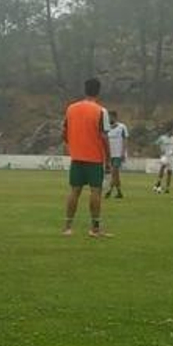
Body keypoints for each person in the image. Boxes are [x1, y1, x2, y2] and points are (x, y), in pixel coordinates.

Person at [62, 78, 111, 238]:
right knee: (95, 191)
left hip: (77, 156)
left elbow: (64, 131)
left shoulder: (71, 108)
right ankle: (95, 228)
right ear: (99, 91)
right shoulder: (101, 111)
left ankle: (68, 227)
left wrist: (72, 145)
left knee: (74, 191)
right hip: (94, 157)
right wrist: (108, 159)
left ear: (84, 90)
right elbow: (104, 137)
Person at [104, 110, 128, 199]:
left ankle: (109, 191)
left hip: (118, 154)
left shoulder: (122, 127)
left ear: (114, 117)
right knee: (115, 174)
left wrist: (123, 152)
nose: (108, 119)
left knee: (114, 172)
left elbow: (125, 140)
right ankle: (119, 192)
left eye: (110, 117)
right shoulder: (106, 128)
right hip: (109, 154)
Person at [153, 129, 173, 193]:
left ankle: (167, 188)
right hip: (164, 156)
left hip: (171, 157)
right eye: (171, 131)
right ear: (167, 131)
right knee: (163, 166)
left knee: (169, 173)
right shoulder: (162, 138)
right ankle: (159, 181)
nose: (172, 133)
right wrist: (159, 151)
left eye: (172, 132)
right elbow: (156, 144)